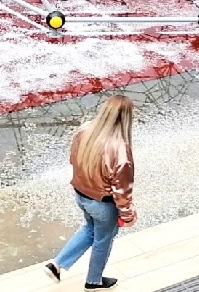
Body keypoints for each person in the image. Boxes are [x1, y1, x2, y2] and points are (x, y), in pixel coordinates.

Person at [44, 96, 136, 290]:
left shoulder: (86, 129)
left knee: (89, 229)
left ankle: (58, 264)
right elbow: (122, 189)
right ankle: (94, 281)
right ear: (126, 118)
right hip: (103, 202)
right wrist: (128, 215)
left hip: (81, 193)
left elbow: (73, 158)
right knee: (103, 239)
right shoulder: (120, 148)